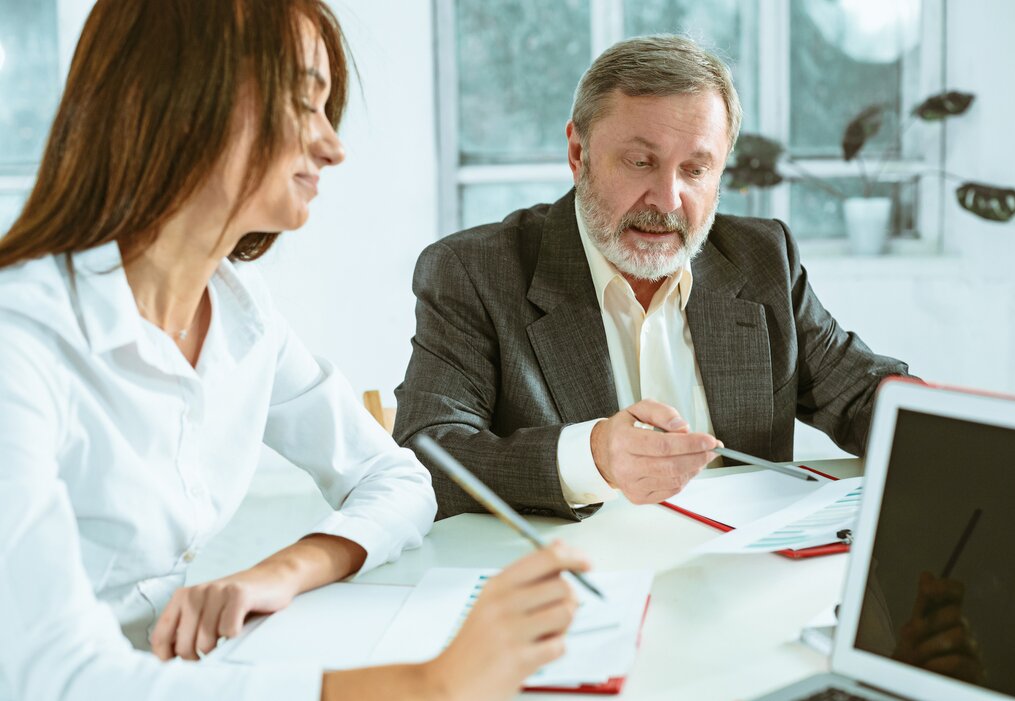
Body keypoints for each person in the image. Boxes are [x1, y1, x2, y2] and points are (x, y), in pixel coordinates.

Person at [0, 2, 587, 700]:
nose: (331, 145)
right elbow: (56, 676)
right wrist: (426, 685)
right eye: (302, 101)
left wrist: (281, 570)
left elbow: (399, 480)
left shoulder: (240, 315)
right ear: (180, 98)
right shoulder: (22, 344)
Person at [394, 34, 911, 521]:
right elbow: (426, 458)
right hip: (572, 589)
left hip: (740, 583)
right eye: (641, 162)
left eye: (695, 170)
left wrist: (948, 429)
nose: (667, 201)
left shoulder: (762, 259)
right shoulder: (474, 272)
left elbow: (864, 395)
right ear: (579, 154)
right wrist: (592, 456)